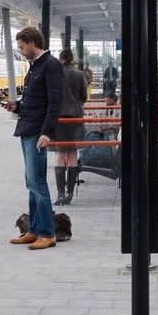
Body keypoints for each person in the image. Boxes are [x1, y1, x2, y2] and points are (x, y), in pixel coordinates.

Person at [0, 27, 66, 250]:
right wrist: (17, 106)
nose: (20, 50)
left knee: (36, 181)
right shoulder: (36, 65)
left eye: (21, 47)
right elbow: (36, 100)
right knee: (31, 182)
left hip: (38, 131)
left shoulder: (51, 65)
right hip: (28, 128)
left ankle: (47, 233)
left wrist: (47, 132)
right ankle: (34, 230)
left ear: (31, 42)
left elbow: (55, 102)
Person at [54, 52, 89, 206]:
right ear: (72, 59)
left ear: (61, 59)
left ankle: (60, 193)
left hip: (59, 117)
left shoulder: (56, 73)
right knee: (73, 153)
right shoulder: (80, 74)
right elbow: (84, 96)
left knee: (60, 154)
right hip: (76, 115)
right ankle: (69, 194)